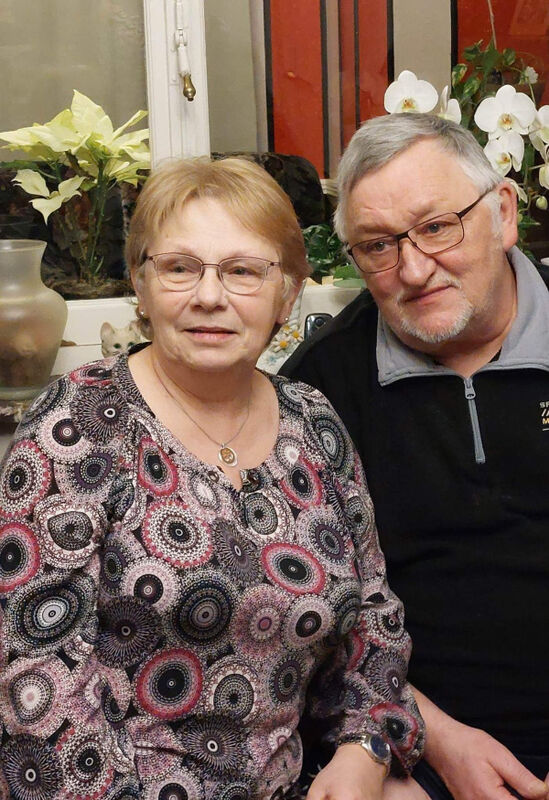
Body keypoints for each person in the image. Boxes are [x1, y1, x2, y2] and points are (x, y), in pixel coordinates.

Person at [0, 156, 424, 800]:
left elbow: (373, 616)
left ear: (288, 294)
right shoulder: (77, 423)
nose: (209, 296)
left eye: (243, 271)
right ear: (140, 285)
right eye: (179, 267)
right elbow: (34, 687)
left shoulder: (312, 419)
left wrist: (366, 749)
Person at [280, 113, 549, 800]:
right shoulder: (318, 386)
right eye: (378, 245)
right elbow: (316, 617)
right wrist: (435, 740)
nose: (414, 269)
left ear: (504, 212)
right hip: (408, 739)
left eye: (436, 227)